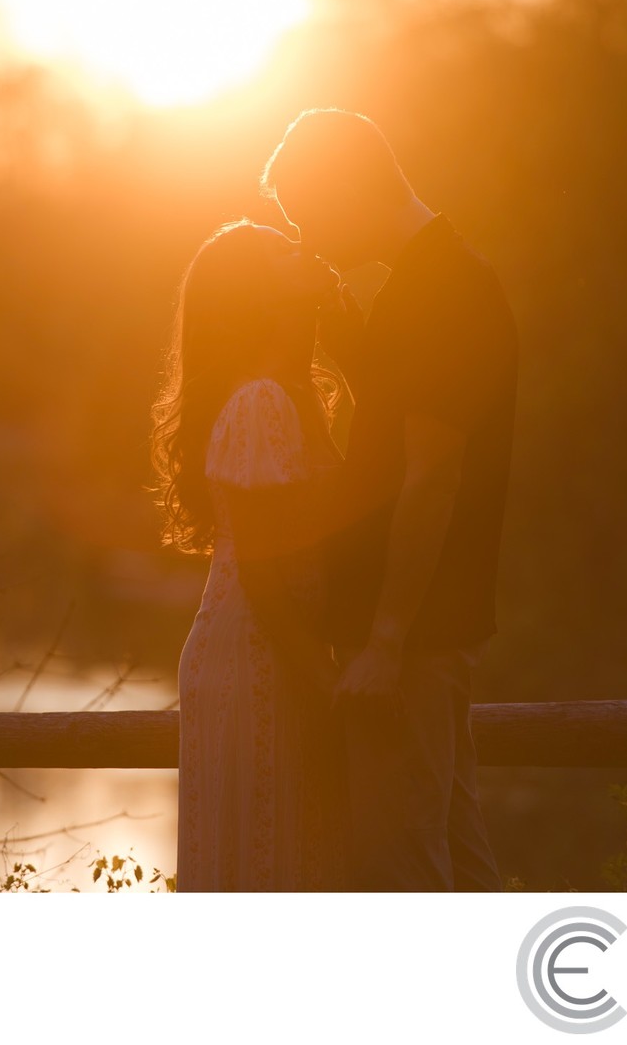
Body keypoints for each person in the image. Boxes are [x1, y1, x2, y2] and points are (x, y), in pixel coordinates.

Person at [259, 107, 518, 891]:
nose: (309, 239)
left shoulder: (441, 290)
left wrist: (385, 639)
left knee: (396, 871)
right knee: (453, 855)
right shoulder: (422, 286)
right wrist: (342, 331)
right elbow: (399, 429)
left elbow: (430, 476)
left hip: (408, 640)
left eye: (310, 217)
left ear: (348, 190)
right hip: (421, 632)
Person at [151, 218, 353, 891]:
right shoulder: (259, 401)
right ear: (258, 293)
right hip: (258, 655)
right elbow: (265, 573)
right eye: (283, 252)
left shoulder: (296, 393)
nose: (307, 249)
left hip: (282, 650)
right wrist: (320, 685)